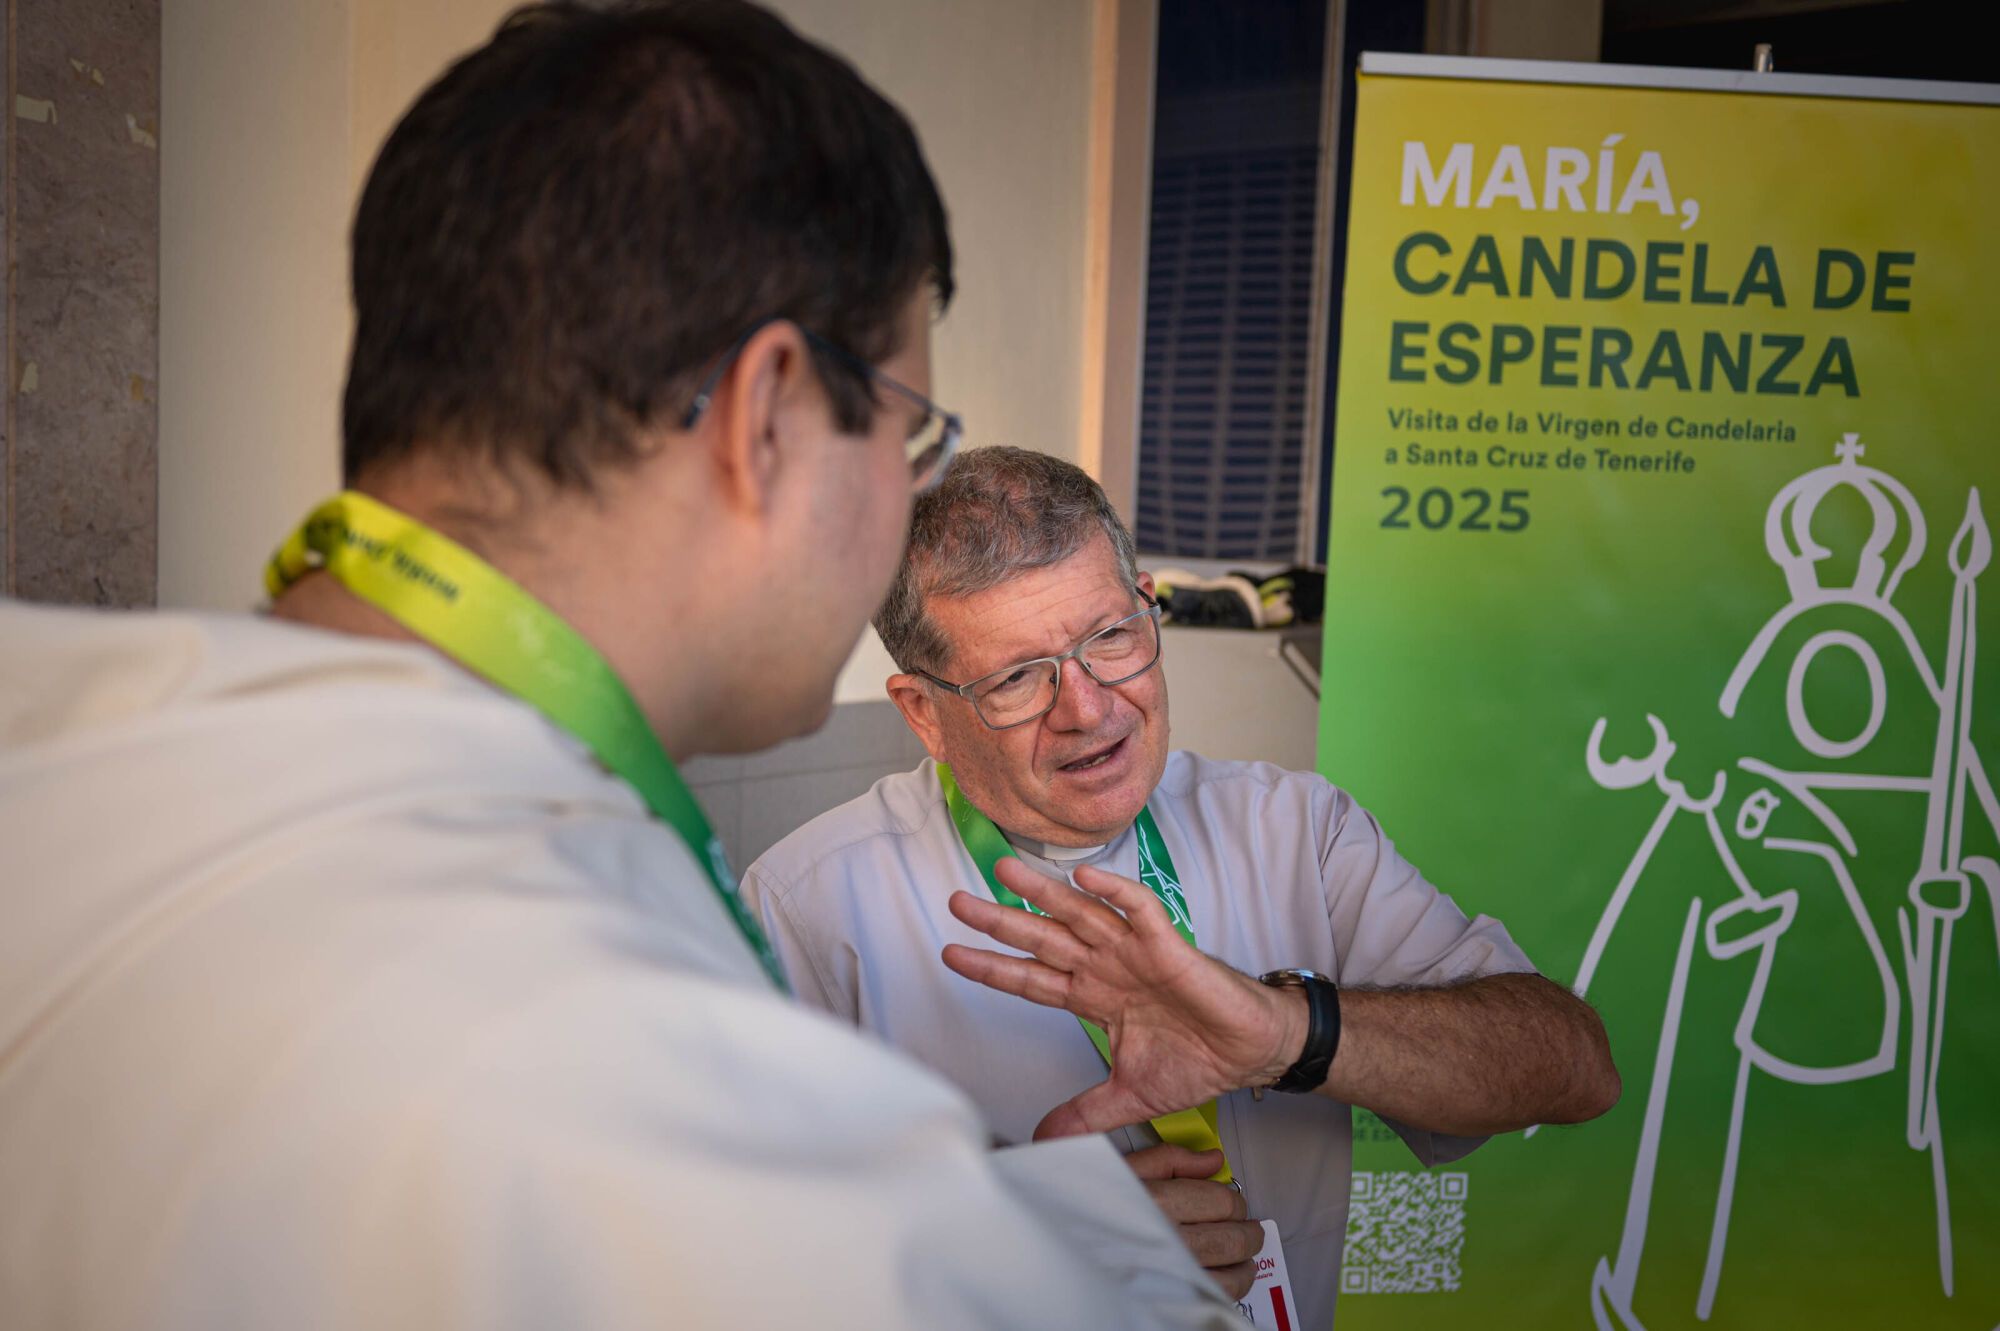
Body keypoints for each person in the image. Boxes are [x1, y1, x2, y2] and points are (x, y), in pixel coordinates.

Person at [0, 6, 1251, 1327]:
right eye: (908, 440)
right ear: (765, 416)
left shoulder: (55, 740)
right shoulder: (602, 1043)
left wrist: (1030, 1211)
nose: (902, 502)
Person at [742, 445, 1624, 1331]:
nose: (1088, 707)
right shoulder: (811, 907)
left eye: (1111, 637)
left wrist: (1285, 1030)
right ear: (924, 712)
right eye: (1017, 677)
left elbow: (1575, 1069)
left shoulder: (1294, 831)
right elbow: (725, 1270)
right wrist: (1023, 1244)